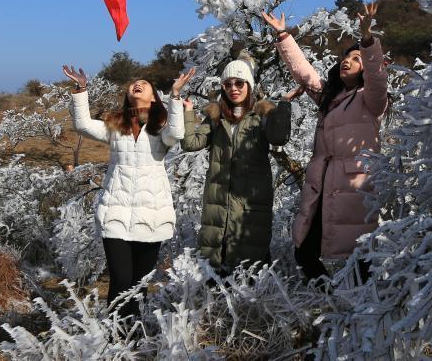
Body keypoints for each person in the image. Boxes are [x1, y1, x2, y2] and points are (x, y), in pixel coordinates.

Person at [262, 3, 387, 284]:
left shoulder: (371, 99)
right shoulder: (331, 99)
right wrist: (284, 37)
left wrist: (367, 40)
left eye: (356, 59)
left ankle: (360, 316)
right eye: (346, 57)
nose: (348, 61)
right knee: (305, 252)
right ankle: (332, 302)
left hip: (356, 189)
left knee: (358, 259)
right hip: (324, 186)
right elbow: (305, 75)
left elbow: (379, 77)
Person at [62, 64, 195, 320]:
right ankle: (114, 339)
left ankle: (132, 338)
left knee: (138, 284)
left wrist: (175, 94)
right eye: (135, 84)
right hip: (116, 212)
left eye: (145, 84)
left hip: (151, 215)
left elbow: (178, 133)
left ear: (155, 97)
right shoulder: (116, 126)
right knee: (121, 279)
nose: (138, 84)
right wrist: (81, 89)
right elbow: (82, 125)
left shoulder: (162, 128)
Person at [181, 56, 293, 273]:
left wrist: (284, 105)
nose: (234, 88)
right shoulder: (216, 117)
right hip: (218, 202)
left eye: (239, 83)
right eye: (228, 84)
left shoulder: (262, 115)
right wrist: (187, 111)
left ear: (249, 85)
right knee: (215, 269)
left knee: (249, 268)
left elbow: (279, 138)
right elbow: (190, 143)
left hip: (250, 204)